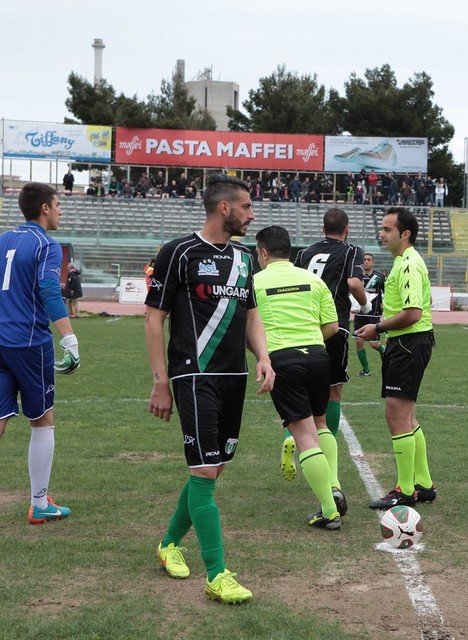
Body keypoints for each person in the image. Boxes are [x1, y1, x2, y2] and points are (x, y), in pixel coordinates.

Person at [144, 173, 274, 605]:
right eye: (247, 206)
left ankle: (168, 544)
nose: (251, 214)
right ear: (224, 207)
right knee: (203, 471)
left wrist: (264, 356)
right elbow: (154, 318)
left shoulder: (245, 258)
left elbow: (251, 314)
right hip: (193, 375)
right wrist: (160, 381)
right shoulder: (178, 252)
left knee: (213, 467)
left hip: (234, 376)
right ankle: (218, 575)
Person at [0, 182, 80, 537]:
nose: (61, 210)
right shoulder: (46, 245)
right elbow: (49, 289)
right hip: (29, 344)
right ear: (45, 208)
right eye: (58, 204)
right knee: (43, 420)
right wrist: (69, 338)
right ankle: (39, 503)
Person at [252, 225, 344, 529]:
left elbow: (246, 325)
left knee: (303, 435)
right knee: (321, 423)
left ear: (264, 253)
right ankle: (334, 484)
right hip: (318, 356)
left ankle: (329, 511)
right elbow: (332, 326)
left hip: (283, 359)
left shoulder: (255, 282)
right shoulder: (313, 280)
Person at [355, 207, 437, 509]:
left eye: (387, 229)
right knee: (408, 417)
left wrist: (377, 328)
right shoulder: (404, 261)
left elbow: (413, 313)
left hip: (408, 343)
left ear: (405, 234)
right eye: (382, 228)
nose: (381, 234)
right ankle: (423, 484)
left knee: (396, 416)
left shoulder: (409, 265)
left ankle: (405, 490)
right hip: (409, 342)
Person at [282, 209, 368, 490]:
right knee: (333, 392)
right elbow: (353, 282)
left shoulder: (306, 252)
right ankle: (323, 447)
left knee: (301, 389)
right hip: (334, 324)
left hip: (304, 325)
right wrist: (364, 304)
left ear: (323, 228)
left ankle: (293, 437)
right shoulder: (351, 251)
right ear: (347, 228)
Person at [354, 252, 387, 377]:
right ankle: (366, 370)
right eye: (364, 259)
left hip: (373, 315)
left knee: (374, 344)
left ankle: (385, 354)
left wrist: (385, 304)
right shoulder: (356, 277)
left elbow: (387, 292)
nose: (366, 261)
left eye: (369, 259)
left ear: (373, 262)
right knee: (358, 341)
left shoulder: (379, 277)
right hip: (359, 314)